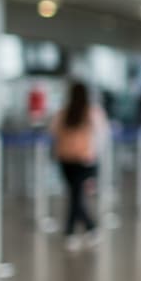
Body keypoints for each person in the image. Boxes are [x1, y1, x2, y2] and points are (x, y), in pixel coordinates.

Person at [50, 80, 109, 251]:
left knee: (75, 195)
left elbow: (52, 131)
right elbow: (102, 134)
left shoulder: (64, 113)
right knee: (76, 196)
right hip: (85, 159)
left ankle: (75, 231)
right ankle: (86, 229)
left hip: (65, 159)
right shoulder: (92, 112)